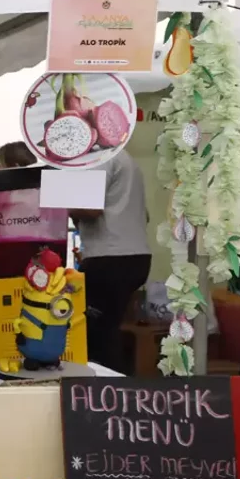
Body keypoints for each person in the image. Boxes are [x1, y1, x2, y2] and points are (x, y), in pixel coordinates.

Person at [69, 150, 151, 372]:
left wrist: (53, 200)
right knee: (109, 328)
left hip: (109, 257)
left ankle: (107, 387)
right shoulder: (128, 160)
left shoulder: (99, 158)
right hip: (135, 255)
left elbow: (91, 208)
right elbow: (145, 216)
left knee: (96, 335)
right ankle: (119, 382)